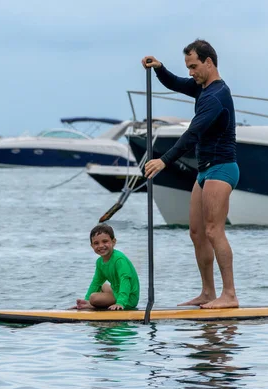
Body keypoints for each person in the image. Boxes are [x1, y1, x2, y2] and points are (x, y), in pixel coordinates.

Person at [142, 39, 239, 309]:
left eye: (194, 66)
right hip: (204, 171)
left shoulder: (216, 96)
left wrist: (164, 161)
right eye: (188, 67)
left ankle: (229, 295)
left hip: (222, 168)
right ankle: (208, 293)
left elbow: (192, 134)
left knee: (213, 230)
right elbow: (176, 83)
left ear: (209, 62)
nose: (190, 73)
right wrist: (160, 68)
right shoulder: (202, 87)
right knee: (196, 232)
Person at [72, 224, 140, 310]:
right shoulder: (100, 262)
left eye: (105, 241)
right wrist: (86, 301)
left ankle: (94, 304)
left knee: (94, 298)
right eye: (96, 243)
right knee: (102, 286)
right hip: (117, 292)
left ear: (113, 242)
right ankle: (90, 304)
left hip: (128, 299)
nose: (100, 246)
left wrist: (120, 303)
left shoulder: (119, 260)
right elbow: (96, 283)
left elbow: (125, 281)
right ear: (92, 246)